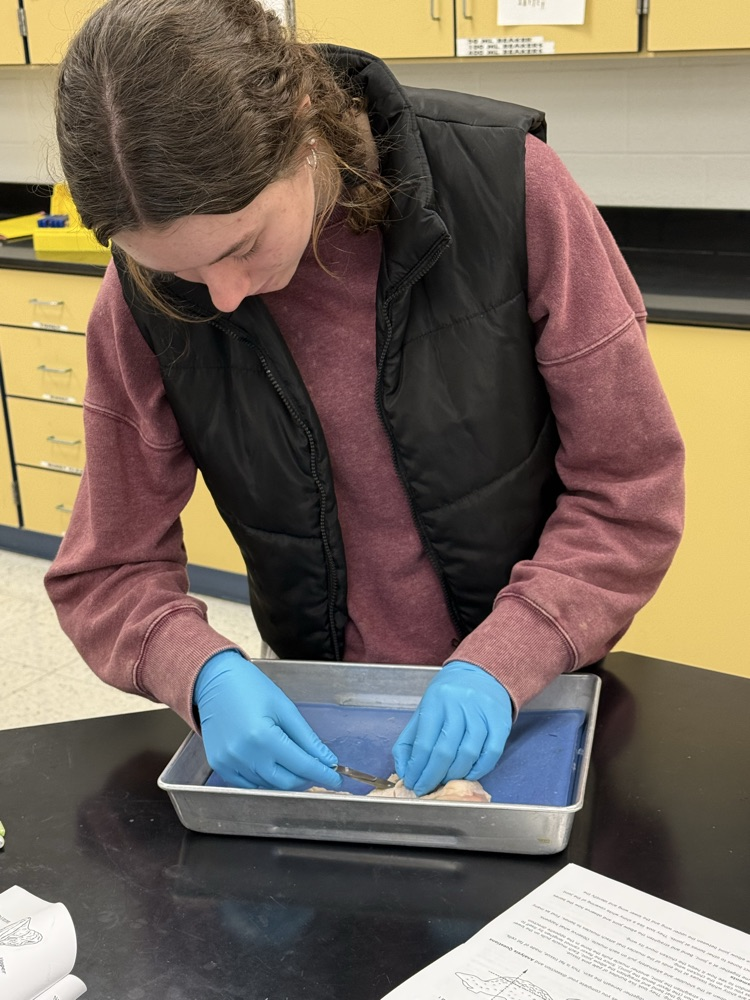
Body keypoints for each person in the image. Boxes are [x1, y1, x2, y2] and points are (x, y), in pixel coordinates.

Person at [45, 0, 685, 797]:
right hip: (321, 707)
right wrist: (199, 670)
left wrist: (511, 655)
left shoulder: (511, 191)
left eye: (242, 245)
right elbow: (106, 567)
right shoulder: (141, 296)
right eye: (181, 271)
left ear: (304, 125)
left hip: (532, 693)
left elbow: (630, 490)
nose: (224, 295)